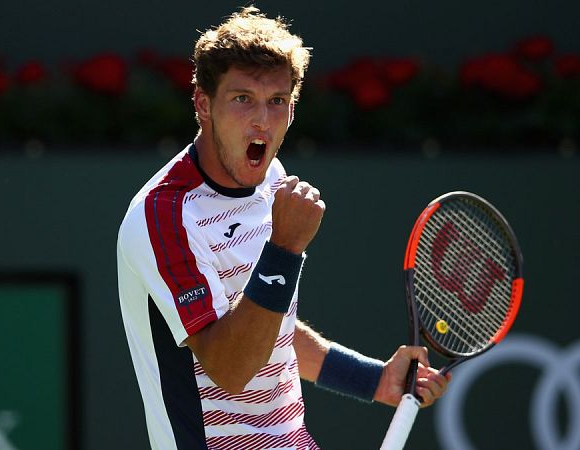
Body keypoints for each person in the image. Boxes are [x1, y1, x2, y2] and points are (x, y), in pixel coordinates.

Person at [117, 6, 450, 449]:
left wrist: (374, 380)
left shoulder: (272, 180)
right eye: (242, 99)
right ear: (202, 105)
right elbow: (231, 368)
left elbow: (269, 326)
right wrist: (284, 250)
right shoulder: (163, 216)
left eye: (277, 102)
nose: (262, 121)